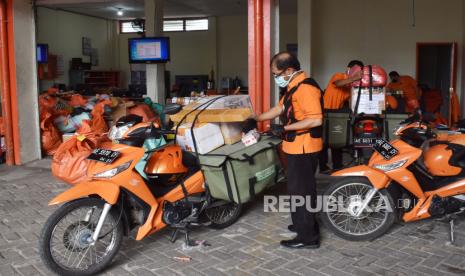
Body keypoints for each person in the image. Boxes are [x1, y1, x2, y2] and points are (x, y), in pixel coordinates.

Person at [244, 51, 323, 249]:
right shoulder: (293, 87)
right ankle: (303, 225)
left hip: (304, 147)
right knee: (298, 189)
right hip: (295, 146)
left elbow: (316, 119)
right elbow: (279, 109)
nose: (275, 78)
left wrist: (284, 128)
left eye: (276, 74)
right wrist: (257, 118)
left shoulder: (306, 88)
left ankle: (308, 238)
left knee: (302, 192)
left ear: (289, 70)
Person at [319, 60, 363, 171]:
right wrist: (354, 78)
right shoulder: (339, 75)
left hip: (337, 114)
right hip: (325, 111)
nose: (358, 73)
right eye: (356, 70)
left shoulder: (350, 84)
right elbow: (338, 83)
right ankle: (323, 167)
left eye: (360, 71)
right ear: (349, 68)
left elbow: (350, 101)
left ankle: (337, 166)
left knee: (337, 138)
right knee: (324, 141)